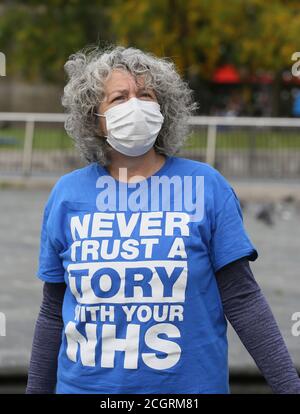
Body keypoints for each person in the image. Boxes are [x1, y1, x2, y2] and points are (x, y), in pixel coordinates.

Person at [26, 46, 300, 394]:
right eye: (119, 97)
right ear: (94, 118)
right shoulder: (67, 195)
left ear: (163, 108)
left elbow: (243, 299)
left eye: (145, 94)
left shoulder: (207, 187)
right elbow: (52, 312)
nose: (135, 106)